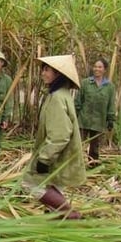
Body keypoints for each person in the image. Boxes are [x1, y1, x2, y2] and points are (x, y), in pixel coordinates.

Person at [24, 54, 86, 219]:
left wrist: (44, 159)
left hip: (57, 155)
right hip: (63, 155)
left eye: (47, 70)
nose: (43, 73)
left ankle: (71, 215)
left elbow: (60, 135)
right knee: (55, 188)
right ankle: (59, 220)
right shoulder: (62, 94)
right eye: (43, 69)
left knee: (31, 184)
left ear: (58, 74)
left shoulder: (57, 98)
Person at [75, 58, 116, 165]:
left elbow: (111, 105)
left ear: (104, 70)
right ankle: (75, 165)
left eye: (99, 67)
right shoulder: (85, 83)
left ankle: (93, 165)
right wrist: (75, 115)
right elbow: (78, 101)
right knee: (77, 144)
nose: (96, 69)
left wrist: (110, 120)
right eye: (95, 66)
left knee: (95, 148)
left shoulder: (110, 87)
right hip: (84, 120)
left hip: (99, 122)